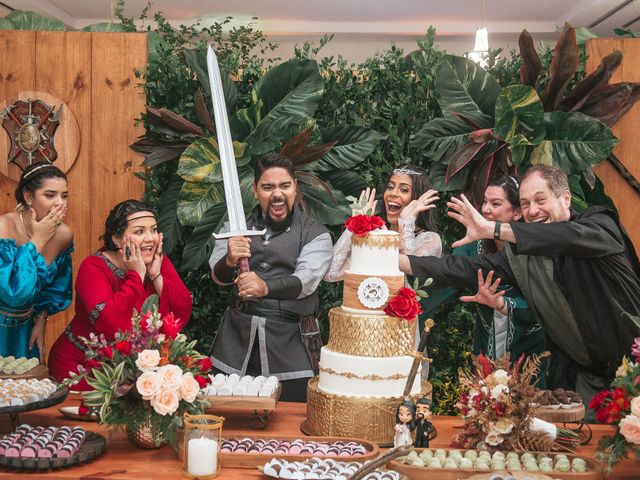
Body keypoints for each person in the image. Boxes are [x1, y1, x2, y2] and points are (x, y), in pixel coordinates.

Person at [401, 165, 640, 419]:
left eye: (540, 200)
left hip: (635, 374)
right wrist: (391, 259)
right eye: (525, 204)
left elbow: (567, 237)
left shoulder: (600, 226)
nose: (532, 210)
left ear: (566, 198)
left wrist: (493, 229)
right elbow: (461, 268)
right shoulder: (521, 257)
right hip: (584, 384)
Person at [209, 153, 333, 402]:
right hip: (235, 344)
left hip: (291, 346)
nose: (277, 194)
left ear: (295, 188)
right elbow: (218, 276)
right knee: (229, 416)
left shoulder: (315, 234)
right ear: (255, 190)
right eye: (268, 187)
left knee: (292, 421)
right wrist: (230, 259)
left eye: (284, 186)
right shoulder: (235, 228)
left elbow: (304, 283)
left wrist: (264, 286)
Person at [49, 200, 192, 388]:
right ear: (117, 239)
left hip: (132, 372)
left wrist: (156, 276)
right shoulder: (93, 267)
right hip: (81, 370)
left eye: (154, 230)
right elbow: (111, 324)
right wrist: (137, 274)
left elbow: (182, 313)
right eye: (140, 232)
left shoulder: (155, 260)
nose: (150, 238)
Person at [422, 176, 545, 383]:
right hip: (486, 345)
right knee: (484, 405)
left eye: (495, 204)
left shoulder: (535, 250)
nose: (486, 210)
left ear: (516, 212)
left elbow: (545, 305)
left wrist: (503, 304)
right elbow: (447, 273)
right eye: (485, 203)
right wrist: (410, 298)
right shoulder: (475, 247)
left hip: (530, 348)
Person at [0, 162, 73, 363]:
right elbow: (11, 294)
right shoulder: (4, 227)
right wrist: (37, 241)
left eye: (64, 195)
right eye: (50, 195)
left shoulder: (64, 235)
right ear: (28, 196)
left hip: (25, 330)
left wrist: (41, 320)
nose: (60, 203)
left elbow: (55, 288)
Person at [325, 164, 442, 282]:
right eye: (390, 187)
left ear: (416, 199)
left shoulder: (429, 240)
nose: (393, 193)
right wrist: (355, 226)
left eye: (404, 190)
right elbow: (331, 274)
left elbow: (411, 281)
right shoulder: (373, 234)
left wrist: (407, 222)